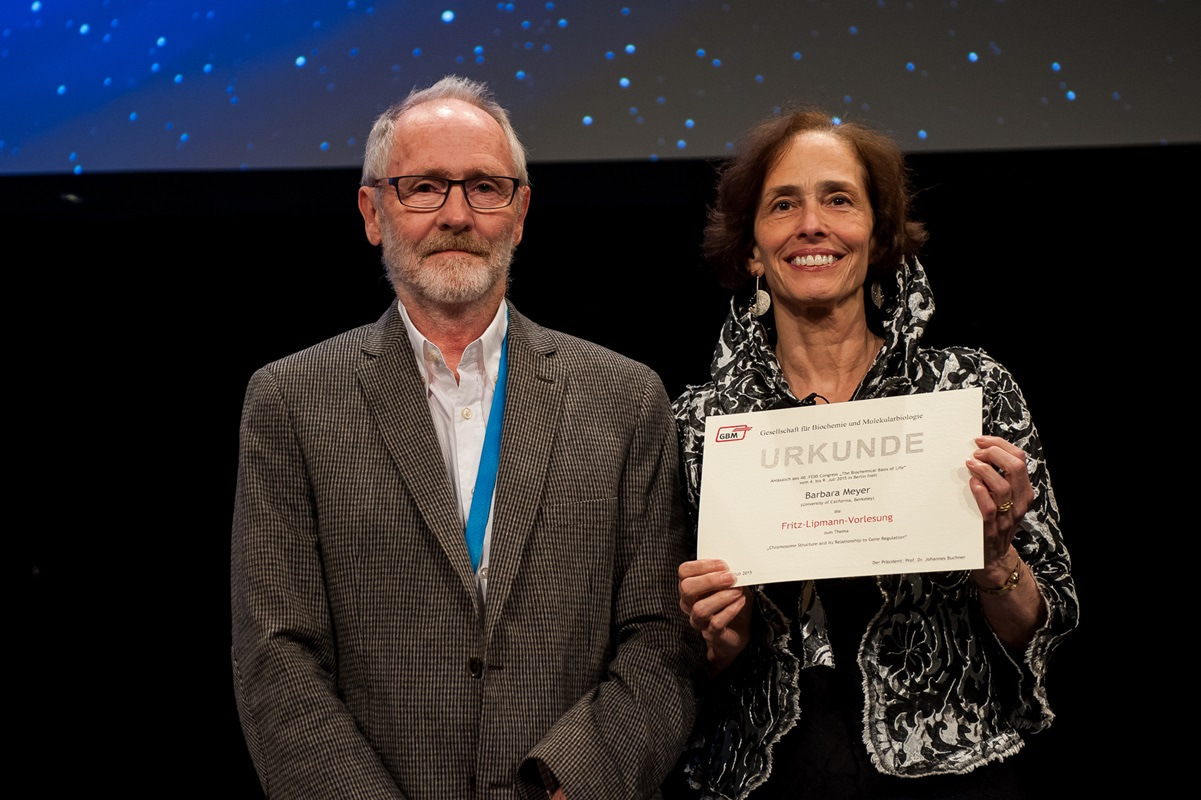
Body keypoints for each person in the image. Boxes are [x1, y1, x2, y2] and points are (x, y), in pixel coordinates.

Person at [231, 75, 698, 800]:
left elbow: (659, 641)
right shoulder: (290, 399)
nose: (456, 214)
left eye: (485, 187)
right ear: (372, 211)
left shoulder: (625, 397)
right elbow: (274, 652)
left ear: (519, 214)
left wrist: (568, 784)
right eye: (423, 187)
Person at [668, 108, 1078, 799]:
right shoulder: (695, 425)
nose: (811, 226)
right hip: (765, 783)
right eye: (782, 205)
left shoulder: (970, 391)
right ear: (750, 248)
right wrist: (714, 643)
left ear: (878, 235)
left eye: (838, 199)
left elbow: (1042, 628)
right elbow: (660, 660)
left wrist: (994, 557)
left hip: (956, 775)